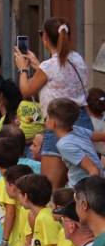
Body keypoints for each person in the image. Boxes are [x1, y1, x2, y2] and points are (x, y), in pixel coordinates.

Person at [16, 17, 92, 189]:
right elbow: (59, 79)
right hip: (82, 121)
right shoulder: (78, 59)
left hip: (57, 124)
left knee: (50, 187)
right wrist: (38, 65)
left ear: (45, 39)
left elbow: (26, 90)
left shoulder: (49, 66)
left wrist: (23, 69)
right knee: (79, 181)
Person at [49, 97, 103, 185]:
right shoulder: (77, 130)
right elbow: (102, 137)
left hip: (83, 187)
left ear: (53, 122)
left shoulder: (64, 144)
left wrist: (92, 194)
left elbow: (93, 170)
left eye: (47, 117)